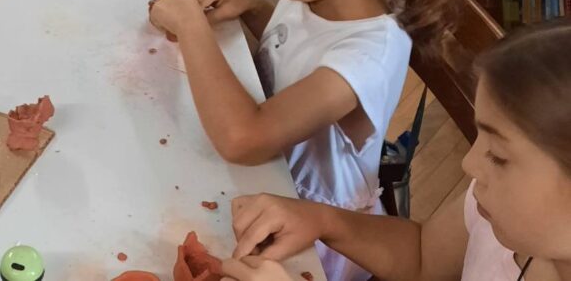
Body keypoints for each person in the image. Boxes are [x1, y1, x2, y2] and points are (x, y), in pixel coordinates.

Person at [148, 0, 469, 281]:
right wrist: (255, 7)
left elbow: (244, 139)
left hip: (314, 240)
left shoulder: (367, 56)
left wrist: (191, 26)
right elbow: (299, 51)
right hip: (270, 189)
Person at [221, 19, 571, 281]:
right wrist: (321, 220)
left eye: (498, 155)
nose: (469, 163)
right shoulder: (500, 210)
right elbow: (423, 255)